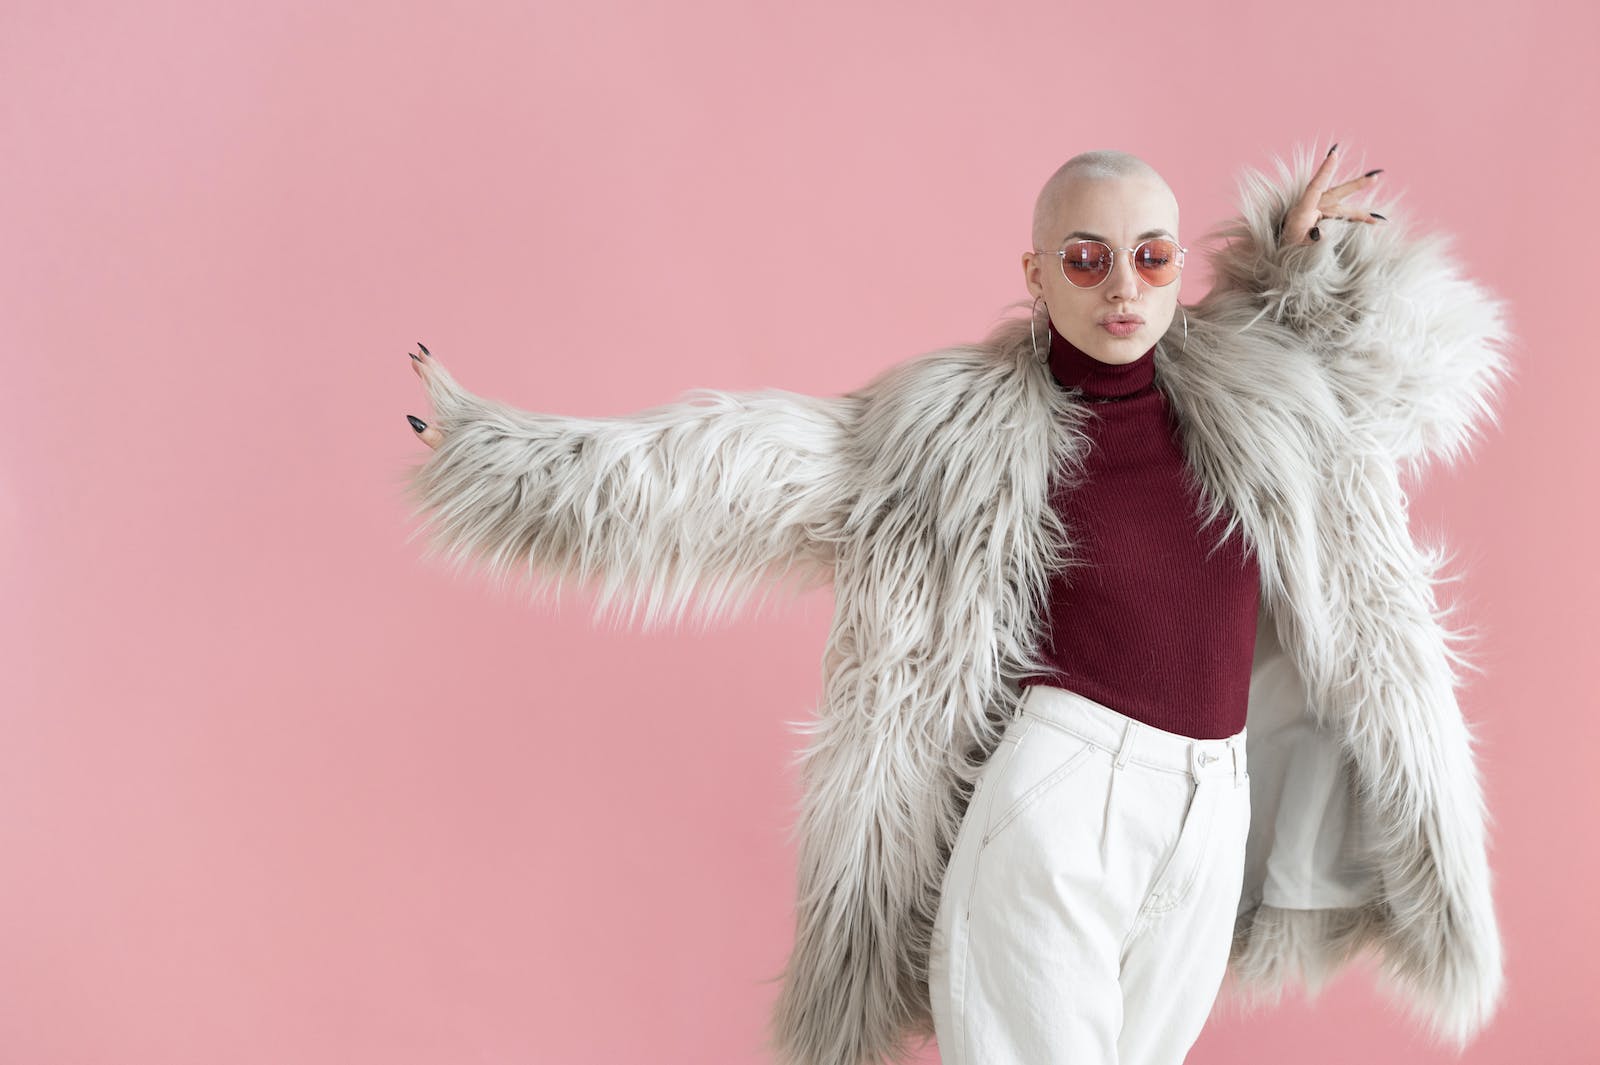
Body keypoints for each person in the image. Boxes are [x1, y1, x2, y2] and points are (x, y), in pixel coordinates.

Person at [400, 141, 1511, 1065]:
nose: (1121, 287)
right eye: (1085, 260)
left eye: (1149, 256)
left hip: (1210, 812)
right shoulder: (947, 429)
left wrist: (1307, 266)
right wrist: (508, 460)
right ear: (1035, 276)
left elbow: (1404, 385)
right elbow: (725, 467)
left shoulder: (1258, 396)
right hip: (1061, 797)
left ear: (1178, 269)